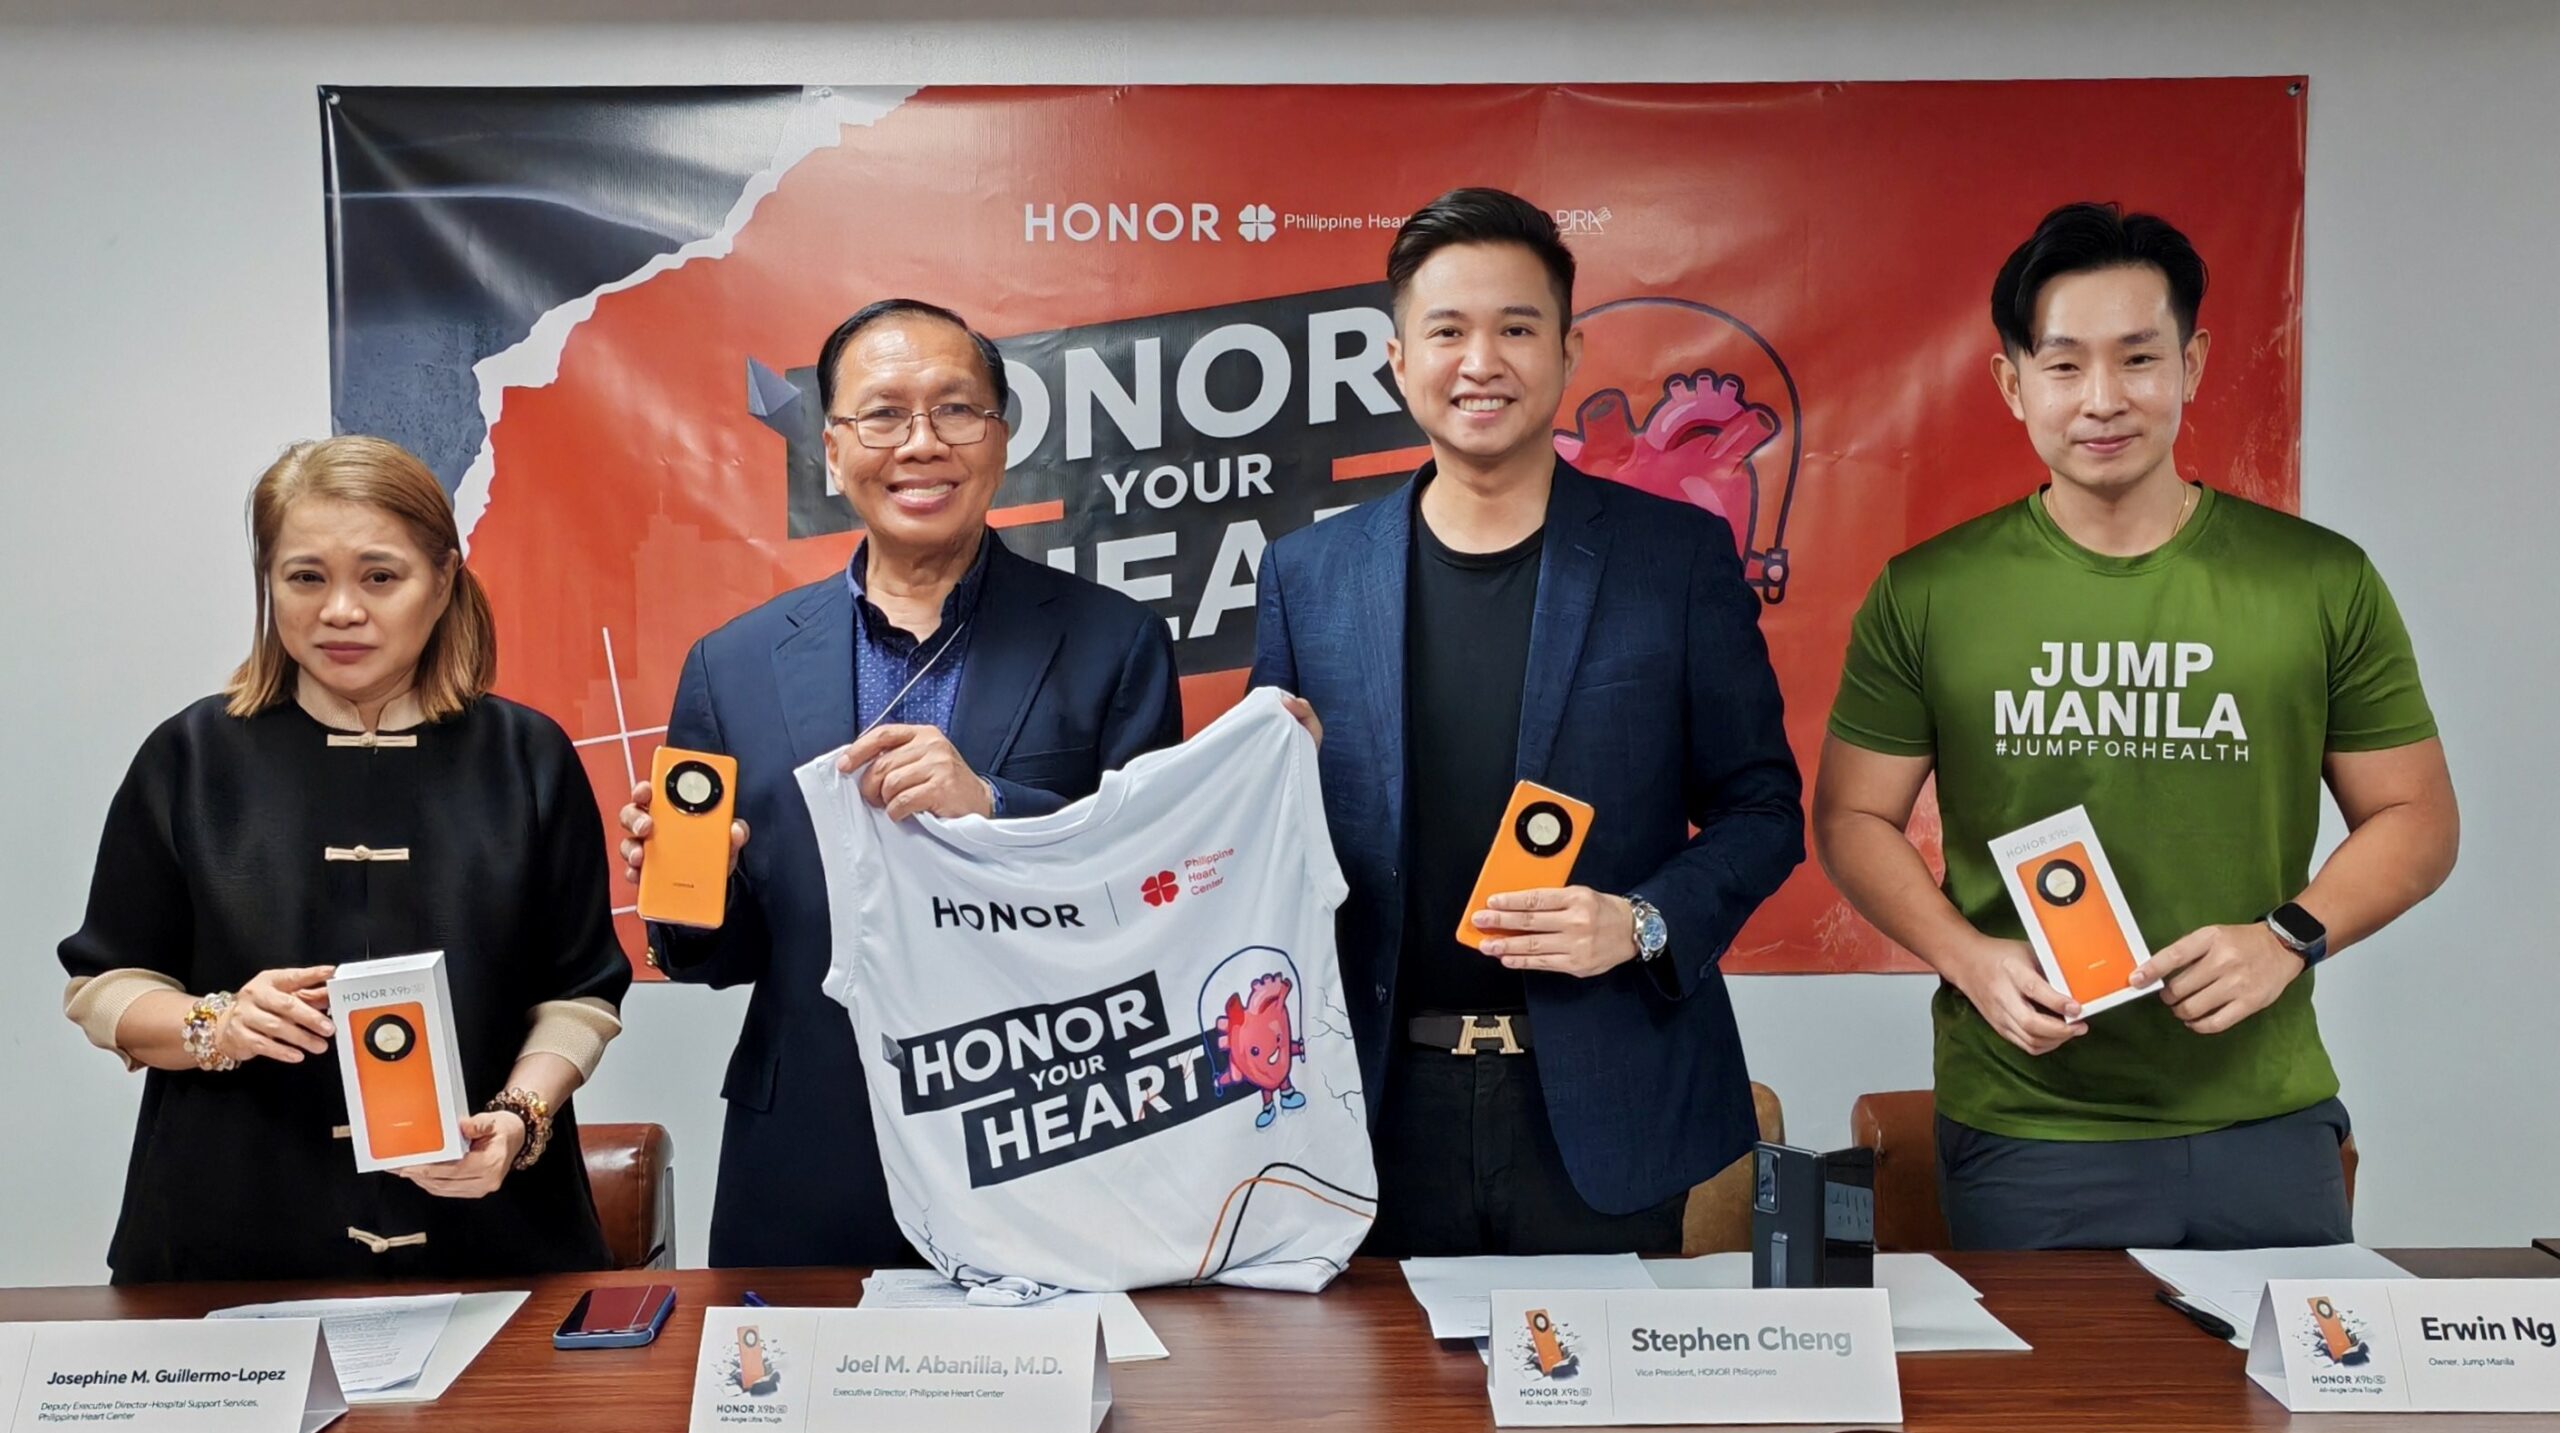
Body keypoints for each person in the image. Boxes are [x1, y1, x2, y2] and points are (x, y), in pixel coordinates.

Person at [1814, 202, 2460, 1249]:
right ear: (2009, 381)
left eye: (2138, 358)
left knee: (2281, 1415)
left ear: (2192, 365)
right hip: (2030, 1119)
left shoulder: (2316, 579)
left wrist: (2287, 938)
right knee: (2062, 1413)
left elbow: (2417, 815)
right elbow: (1849, 815)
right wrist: (1969, 958)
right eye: (2063, 365)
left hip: (2262, 1111)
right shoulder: (1929, 591)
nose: (2102, 399)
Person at [1249, 189, 1804, 1255]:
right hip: (1368, 1106)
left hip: (1602, 1102)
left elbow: (1763, 807)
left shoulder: (1673, 559)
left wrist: (1640, 919)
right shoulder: (1308, 576)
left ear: (1569, 347)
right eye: (1447, 330)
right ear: (1396, 357)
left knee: (1594, 1423)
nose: (1480, 361)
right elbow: (1265, 826)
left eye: (1515, 327)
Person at [622, 298, 1183, 1267]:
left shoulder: (1112, 641)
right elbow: (704, 957)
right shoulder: (733, 664)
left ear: (1001, 437)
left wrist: (997, 807)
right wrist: (694, 881)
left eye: (956, 410)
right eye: (881, 415)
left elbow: (1152, 896)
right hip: (805, 1153)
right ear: (832, 451)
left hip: (1043, 1135)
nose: (920, 443)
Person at [59, 435, 629, 1283]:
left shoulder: (527, 756)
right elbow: (103, 987)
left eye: (379, 576)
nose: (340, 611)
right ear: (269, 585)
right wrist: (216, 1025)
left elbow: (579, 995)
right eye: (305, 577)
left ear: (443, 580)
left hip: (495, 1237)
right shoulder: (191, 756)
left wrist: (517, 1119)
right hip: (227, 1240)